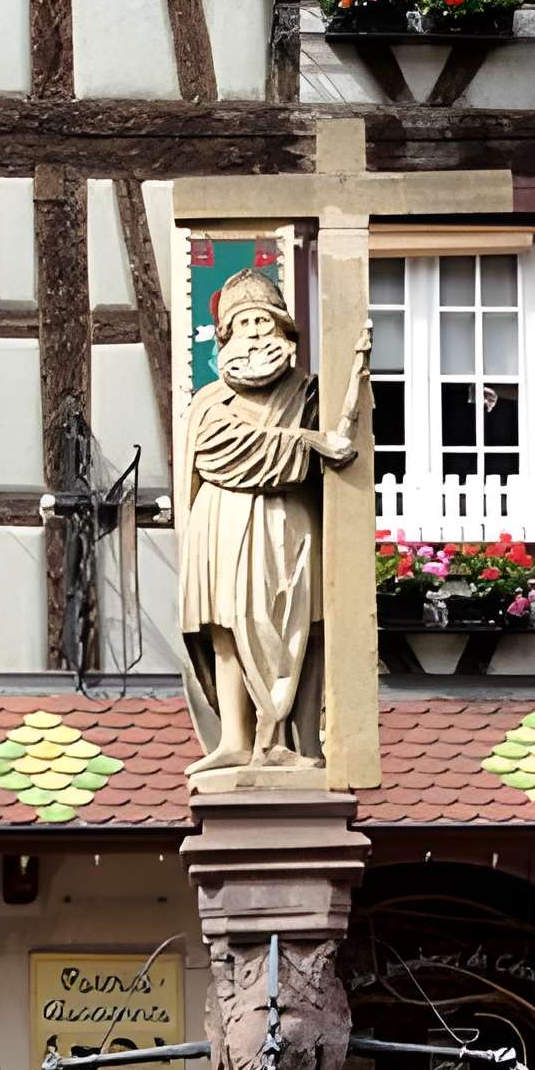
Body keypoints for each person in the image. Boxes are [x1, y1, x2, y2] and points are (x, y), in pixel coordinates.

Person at [179, 268, 370, 775]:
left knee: (297, 631)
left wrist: (337, 417)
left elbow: (342, 447)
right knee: (224, 631)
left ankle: (297, 741)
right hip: (221, 523)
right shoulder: (208, 403)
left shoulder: (309, 395)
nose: (256, 333)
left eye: (264, 321)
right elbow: (220, 453)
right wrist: (311, 444)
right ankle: (235, 739)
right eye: (244, 324)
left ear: (284, 331)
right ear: (226, 339)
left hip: (287, 524)